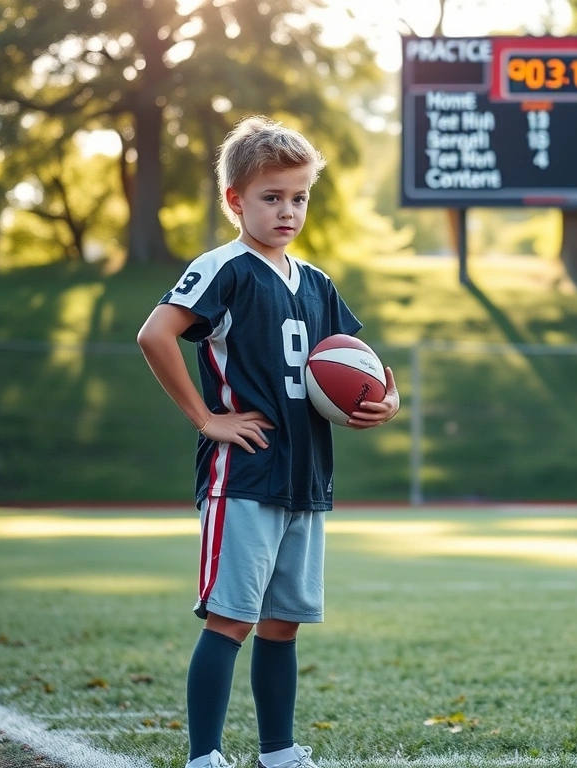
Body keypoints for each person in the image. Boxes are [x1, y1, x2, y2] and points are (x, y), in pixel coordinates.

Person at [137, 115, 400, 768]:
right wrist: (207, 418)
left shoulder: (316, 283)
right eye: (272, 197)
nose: (288, 210)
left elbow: (351, 366)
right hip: (245, 473)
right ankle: (205, 756)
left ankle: (278, 752)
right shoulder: (223, 268)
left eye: (299, 197)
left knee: (283, 625)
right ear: (235, 200)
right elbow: (155, 334)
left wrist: (383, 401)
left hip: (305, 474)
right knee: (231, 620)